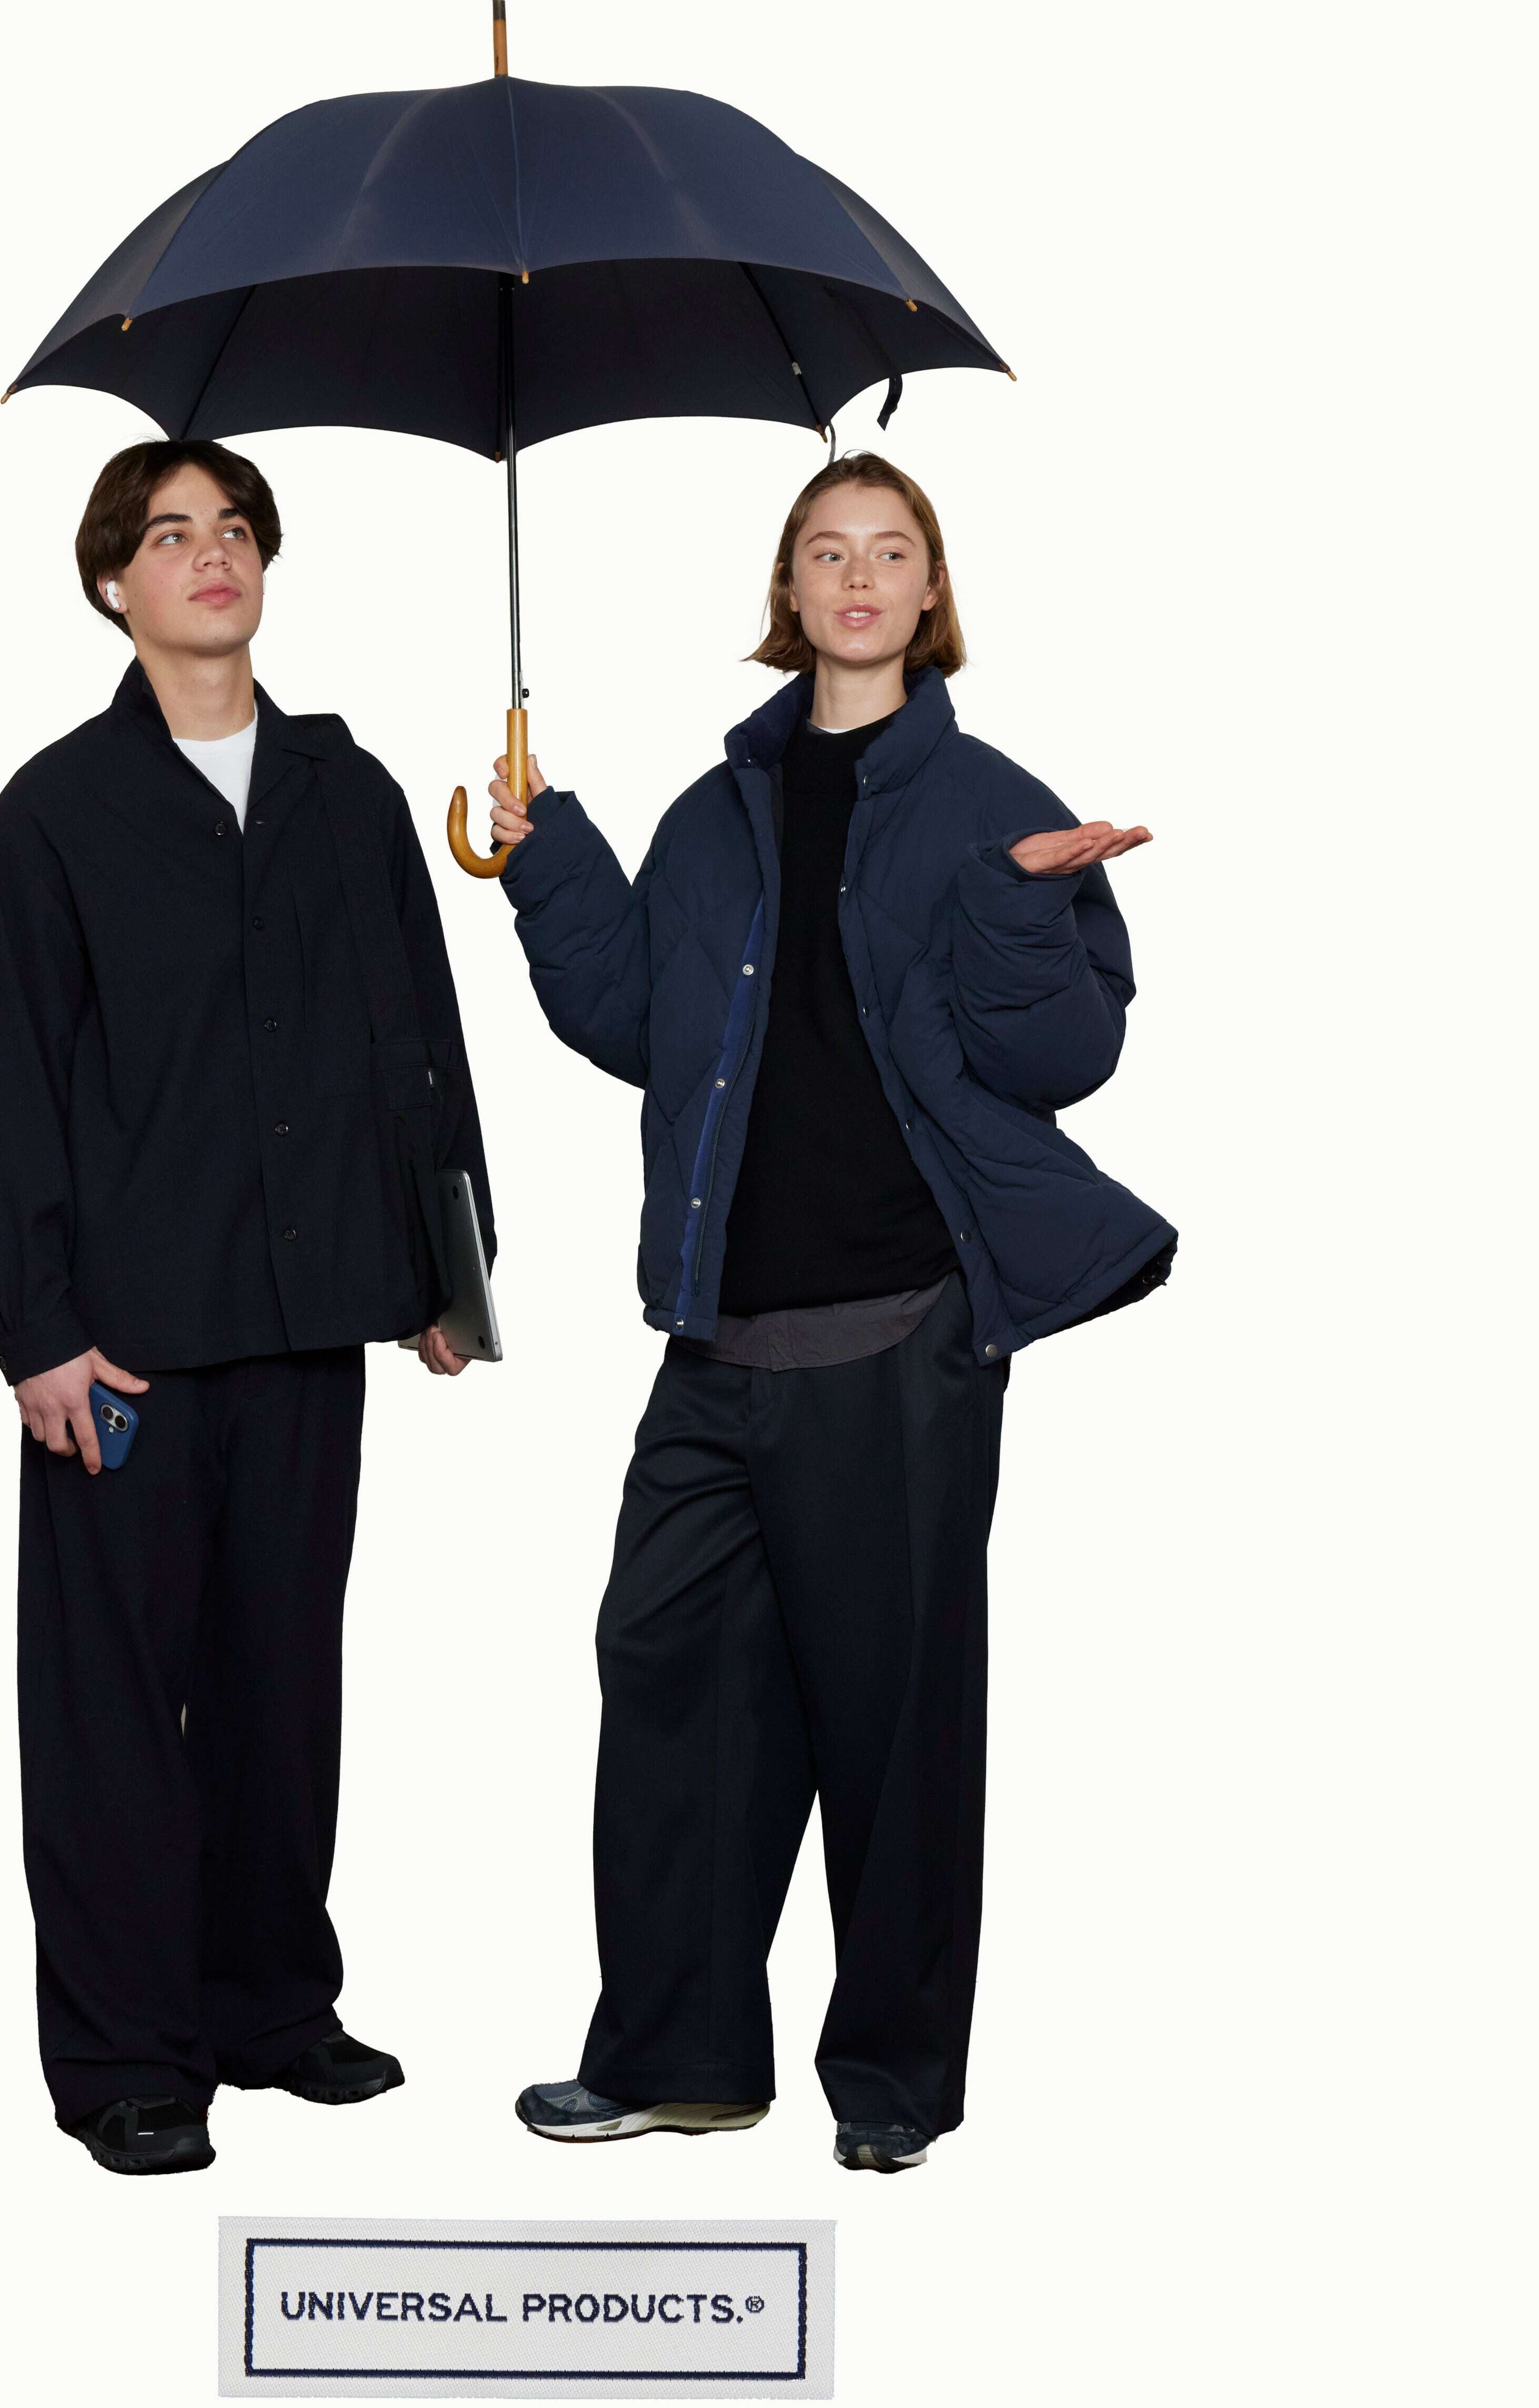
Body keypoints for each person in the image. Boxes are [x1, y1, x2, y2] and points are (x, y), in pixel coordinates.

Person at [487, 451, 1173, 2173]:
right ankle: (680, 2057)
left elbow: (1066, 1056)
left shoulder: (993, 803)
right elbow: (640, 1026)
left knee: (892, 1725)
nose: (858, 578)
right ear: (785, 592)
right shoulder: (713, 811)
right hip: (715, 1338)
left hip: (897, 1334)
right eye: (825, 551)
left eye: (890, 551)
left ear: (931, 592)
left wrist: (1020, 911)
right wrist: (547, 860)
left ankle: (892, 2088)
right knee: (671, 1688)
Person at [0, 437, 493, 2175]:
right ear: (111, 583)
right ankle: (128, 2056)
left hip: (314, 1312)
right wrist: (37, 1330)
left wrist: (450, 1269)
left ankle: (269, 2009)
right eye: (171, 533)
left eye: (237, 527)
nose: (213, 554)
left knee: (282, 1684)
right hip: (122, 1339)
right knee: (115, 1707)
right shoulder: (52, 816)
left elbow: (421, 1037)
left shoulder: (349, 793)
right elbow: (14, 1088)